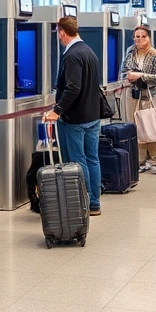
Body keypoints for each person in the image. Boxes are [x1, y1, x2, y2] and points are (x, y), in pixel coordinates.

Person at [45, 17, 103, 215]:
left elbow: (73, 88)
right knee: (92, 158)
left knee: (78, 161)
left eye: (57, 32)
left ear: (62, 31)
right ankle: (94, 202)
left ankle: (83, 202)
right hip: (93, 115)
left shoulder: (71, 55)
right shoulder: (88, 51)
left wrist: (57, 110)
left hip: (76, 118)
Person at [121, 26, 156, 174]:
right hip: (132, 95)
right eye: (136, 36)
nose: (139, 39)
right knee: (135, 128)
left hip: (148, 96)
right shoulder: (130, 52)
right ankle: (139, 160)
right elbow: (124, 71)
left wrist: (140, 76)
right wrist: (130, 76)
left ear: (149, 38)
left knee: (151, 128)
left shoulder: (155, 55)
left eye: (143, 36)